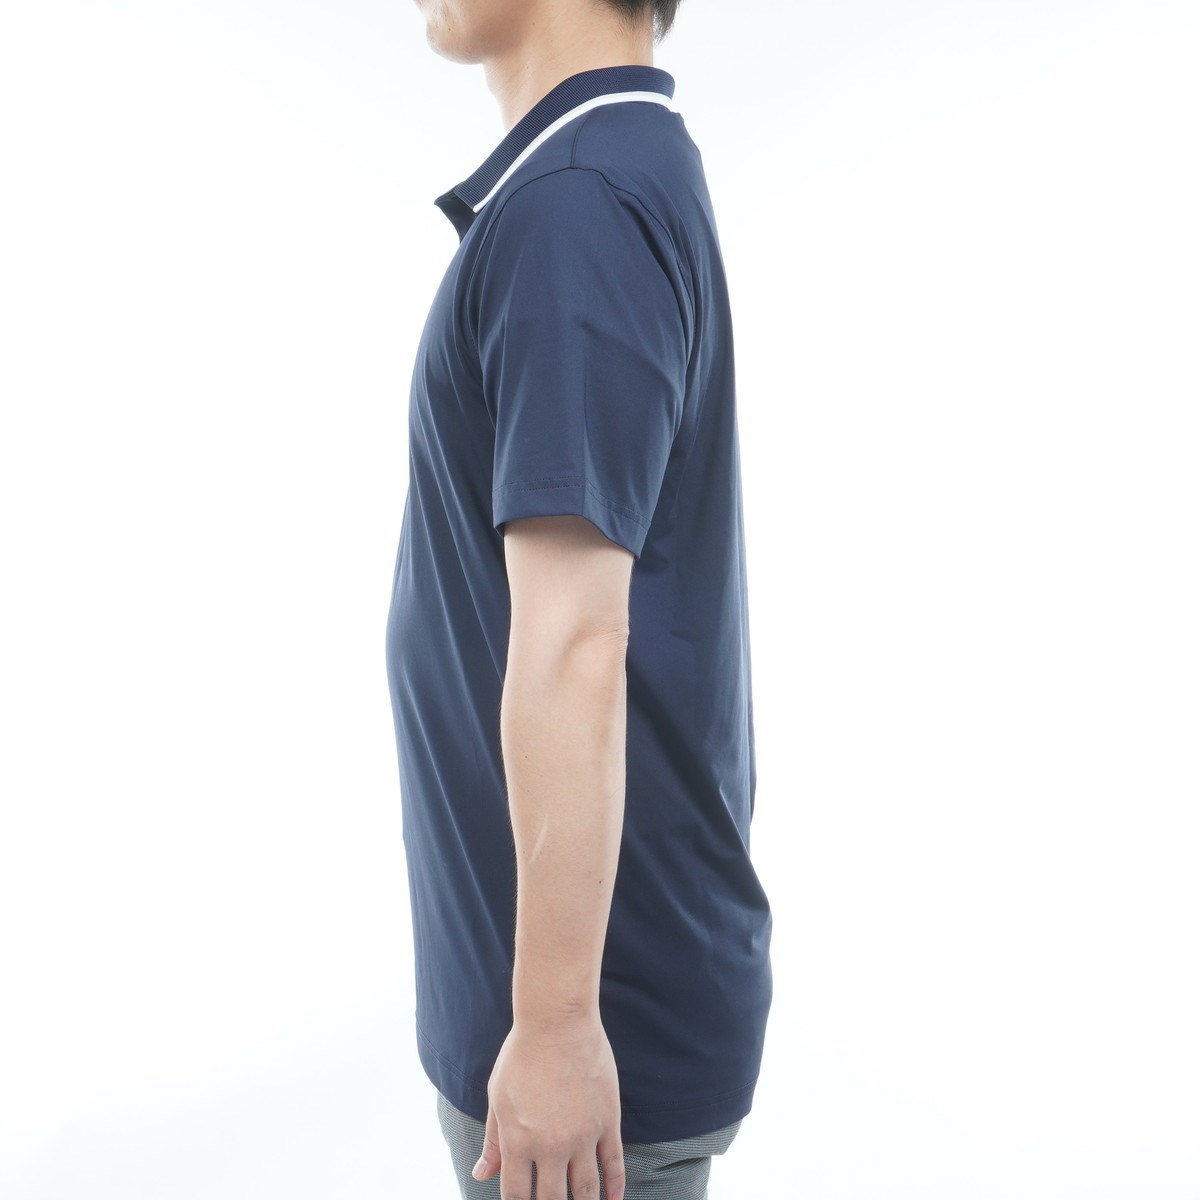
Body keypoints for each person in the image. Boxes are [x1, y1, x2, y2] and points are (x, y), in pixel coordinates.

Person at [385, 1, 774, 1196]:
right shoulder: (595, 178)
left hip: (578, 1061)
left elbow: (574, 642)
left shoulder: (576, 209)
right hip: (560, 1022)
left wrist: (554, 1028)